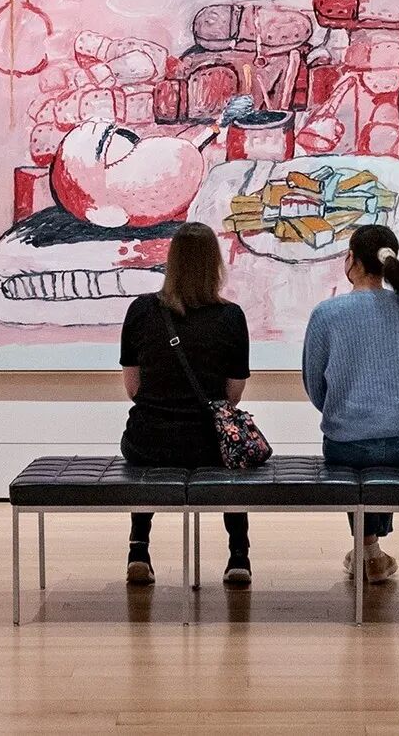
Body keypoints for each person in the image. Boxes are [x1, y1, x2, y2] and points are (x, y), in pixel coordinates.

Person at [302, 224, 399, 584]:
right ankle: (371, 552)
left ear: (351, 259)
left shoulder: (326, 314)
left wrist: (345, 414)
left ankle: (368, 550)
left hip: (347, 443)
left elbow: (314, 386)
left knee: (361, 454)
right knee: (389, 453)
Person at [120, 222, 252, 585]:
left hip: (148, 441)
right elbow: (233, 395)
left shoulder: (141, 311)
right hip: (207, 443)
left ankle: (138, 550)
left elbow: (133, 388)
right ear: (215, 264)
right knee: (231, 451)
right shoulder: (231, 317)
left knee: (146, 446)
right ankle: (239, 556)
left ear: (171, 261)